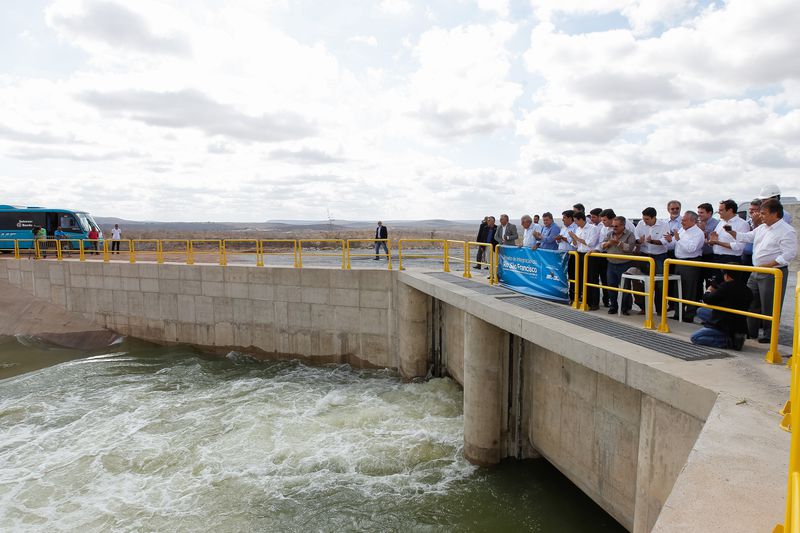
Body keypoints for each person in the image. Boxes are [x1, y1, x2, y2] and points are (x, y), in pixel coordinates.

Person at [731, 199, 797, 343]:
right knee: (751, 301)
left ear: (775, 214)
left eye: (763, 213)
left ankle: (769, 335)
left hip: (773, 273)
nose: (760, 216)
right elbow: (748, 237)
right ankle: (751, 331)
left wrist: (769, 265)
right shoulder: (762, 228)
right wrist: (732, 232)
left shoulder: (786, 231)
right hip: (756, 271)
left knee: (770, 305)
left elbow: (789, 254)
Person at [690, 271, 752, 350]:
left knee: (695, 338)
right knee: (701, 311)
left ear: (727, 276)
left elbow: (707, 299)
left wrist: (709, 291)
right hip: (739, 324)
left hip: (724, 324)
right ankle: (731, 336)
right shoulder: (747, 289)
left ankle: (727, 342)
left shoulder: (725, 287)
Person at [663, 211, 705, 322]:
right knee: (678, 288)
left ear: (693, 221)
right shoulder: (682, 230)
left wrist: (678, 239)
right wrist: (670, 240)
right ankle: (678, 313)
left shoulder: (698, 233)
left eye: (684, 220)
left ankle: (689, 315)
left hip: (691, 262)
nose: (682, 222)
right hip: (679, 261)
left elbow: (691, 249)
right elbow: (676, 244)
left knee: (690, 289)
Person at [634, 207, 669, 314]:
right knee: (642, 282)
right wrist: (638, 241)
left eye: (647, 219)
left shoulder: (664, 225)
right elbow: (636, 237)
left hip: (659, 256)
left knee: (659, 285)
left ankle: (659, 310)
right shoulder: (640, 224)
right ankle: (643, 308)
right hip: (644, 256)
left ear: (654, 218)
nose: (645, 221)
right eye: (644, 218)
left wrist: (652, 241)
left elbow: (665, 241)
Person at [601, 216, 638, 315]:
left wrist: (618, 243)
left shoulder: (630, 234)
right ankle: (613, 306)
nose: (614, 228)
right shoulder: (609, 234)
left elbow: (630, 248)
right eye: (613, 226)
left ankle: (625, 308)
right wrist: (609, 243)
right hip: (611, 263)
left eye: (616, 226)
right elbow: (602, 245)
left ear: (623, 225)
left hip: (625, 264)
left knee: (625, 287)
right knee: (611, 286)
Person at [707, 199, 748, 284]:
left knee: (729, 288)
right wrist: (711, 241)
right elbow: (715, 240)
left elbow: (739, 246)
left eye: (721, 210)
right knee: (715, 286)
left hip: (731, 261)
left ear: (730, 210)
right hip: (716, 258)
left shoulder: (742, 224)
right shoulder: (721, 222)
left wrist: (718, 242)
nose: (719, 212)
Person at [569, 211, 599, 309]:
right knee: (581, 278)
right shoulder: (578, 229)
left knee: (591, 278)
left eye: (576, 221)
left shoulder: (593, 228)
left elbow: (590, 243)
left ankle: (594, 302)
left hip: (589, 255)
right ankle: (585, 299)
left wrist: (576, 238)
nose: (575, 223)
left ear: (581, 219)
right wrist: (573, 238)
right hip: (580, 254)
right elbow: (576, 244)